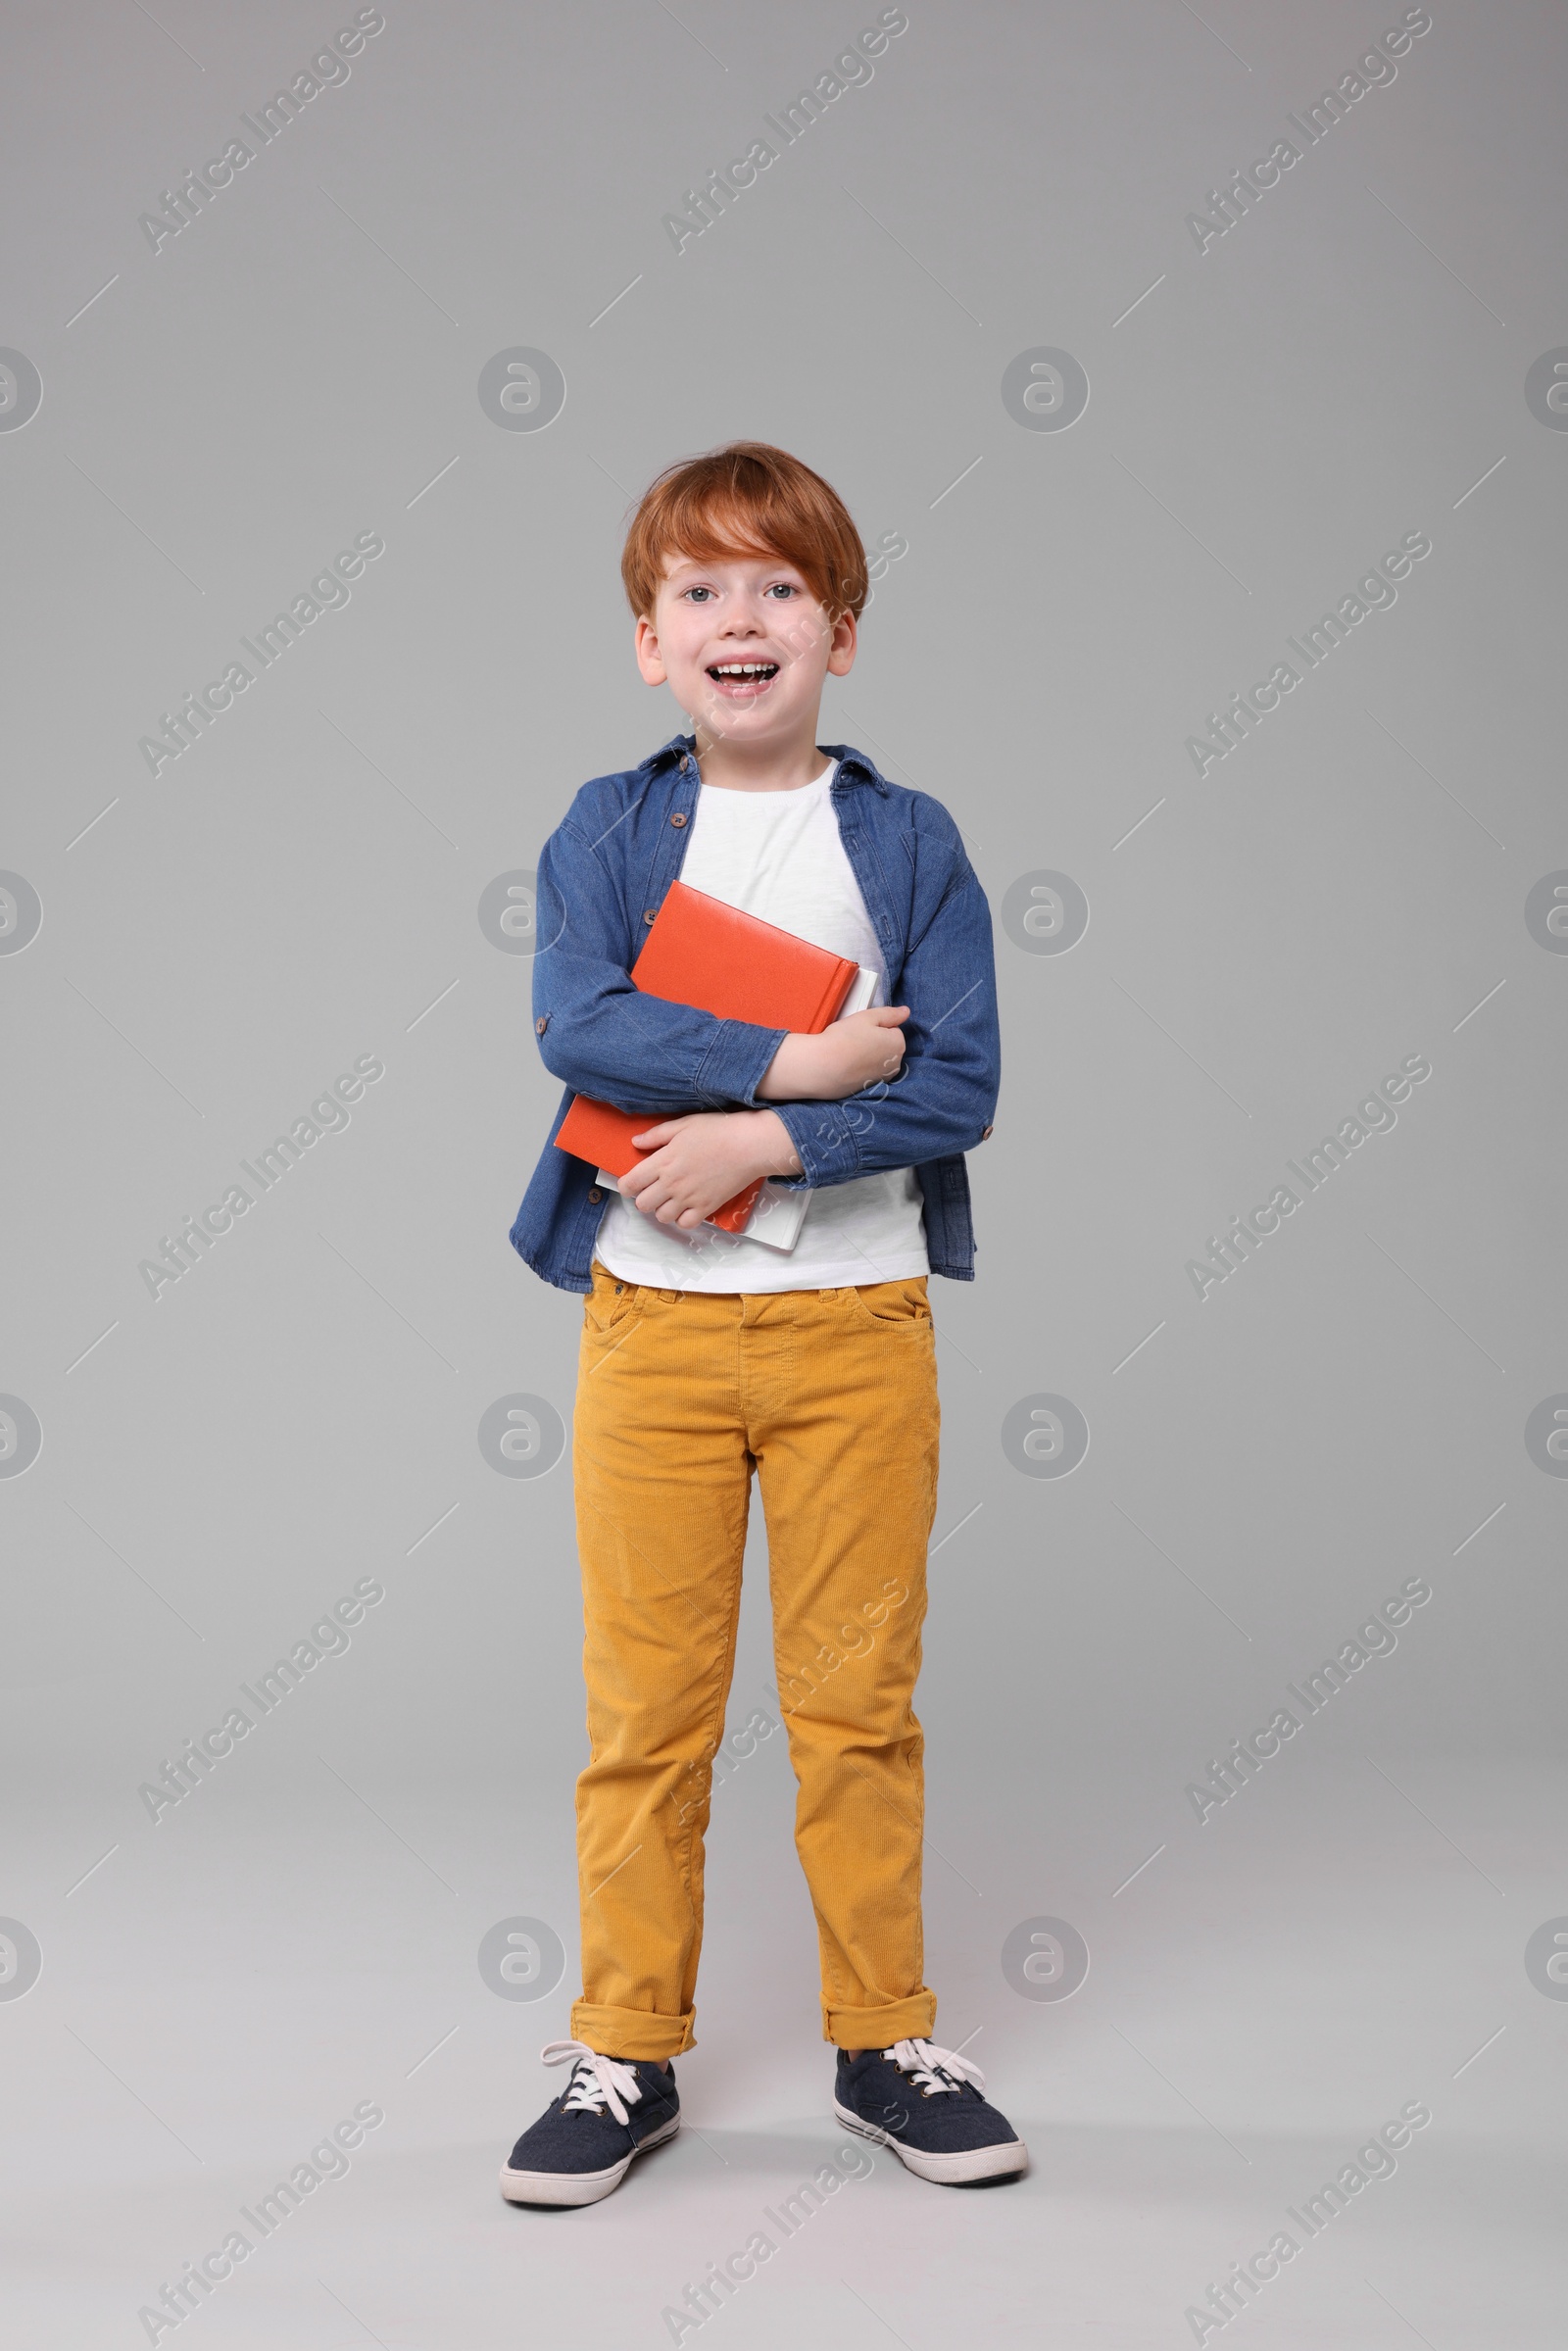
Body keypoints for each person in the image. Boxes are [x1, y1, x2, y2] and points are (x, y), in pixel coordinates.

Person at [502, 442, 1020, 2205]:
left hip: (855, 1329)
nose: (743, 618)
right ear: (650, 641)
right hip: (651, 1338)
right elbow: (581, 1024)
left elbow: (958, 1084)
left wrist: (762, 1140)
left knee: (856, 1703)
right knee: (645, 1709)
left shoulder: (905, 837)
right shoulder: (607, 827)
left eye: (780, 587)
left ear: (842, 635)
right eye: (701, 591)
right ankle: (623, 2054)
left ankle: (884, 2039)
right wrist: (797, 1058)